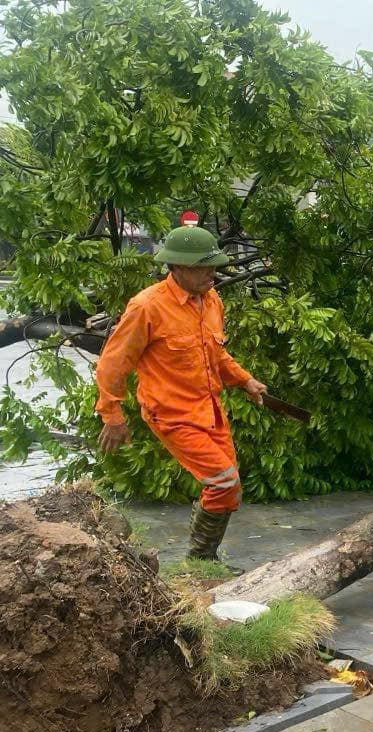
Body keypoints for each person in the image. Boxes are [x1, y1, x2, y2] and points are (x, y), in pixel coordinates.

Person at [94, 225, 266, 569]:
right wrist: (112, 415)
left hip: (210, 409)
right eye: (204, 268)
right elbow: (112, 364)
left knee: (229, 489)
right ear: (179, 268)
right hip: (171, 414)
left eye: (213, 266)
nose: (212, 274)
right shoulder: (147, 307)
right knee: (223, 480)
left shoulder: (211, 300)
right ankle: (199, 560)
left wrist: (244, 380)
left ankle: (203, 562)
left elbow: (215, 354)